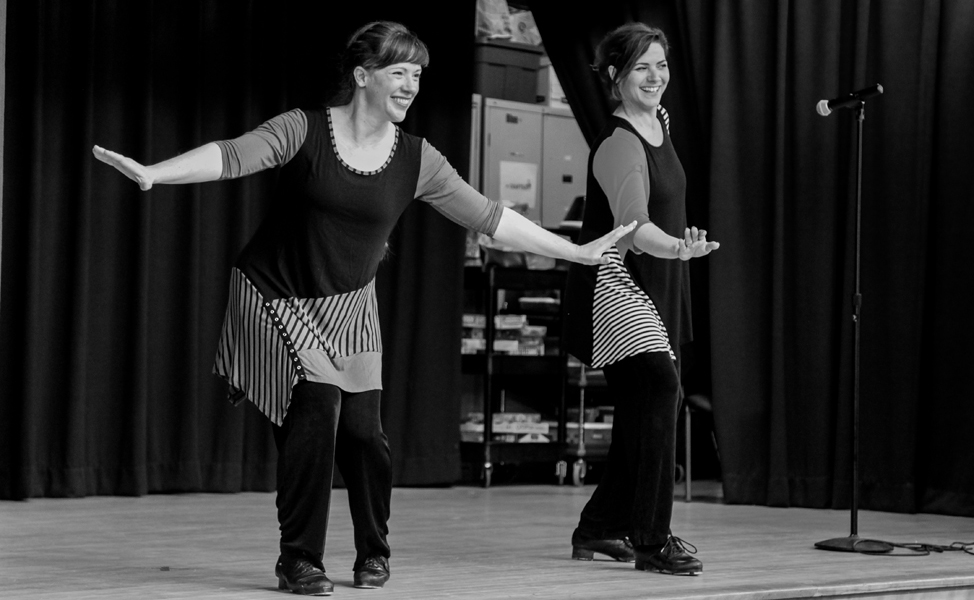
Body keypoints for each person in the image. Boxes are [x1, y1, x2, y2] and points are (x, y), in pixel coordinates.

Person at [93, 21, 633, 596]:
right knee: (314, 407)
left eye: (418, 75)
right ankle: (298, 558)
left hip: (350, 305)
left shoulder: (417, 158)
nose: (410, 85)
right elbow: (231, 156)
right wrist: (156, 173)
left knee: (363, 436)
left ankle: (373, 550)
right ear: (362, 76)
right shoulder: (303, 129)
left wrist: (575, 250)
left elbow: (491, 218)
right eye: (399, 72)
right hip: (274, 292)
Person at [563, 22, 719, 576]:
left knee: (645, 413)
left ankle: (598, 529)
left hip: (657, 285)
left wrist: (676, 254)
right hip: (617, 285)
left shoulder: (661, 123)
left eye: (661, 65)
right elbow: (634, 228)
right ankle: (652, 541)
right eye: (641, 68)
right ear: (614, 77)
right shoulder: (619, 142)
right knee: (659, 390)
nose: (656, 77)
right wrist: (678, 248)